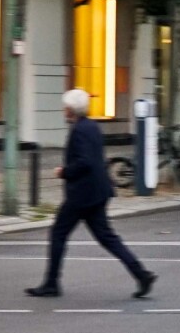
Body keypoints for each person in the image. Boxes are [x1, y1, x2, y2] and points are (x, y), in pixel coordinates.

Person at [27, 88, 155, 299]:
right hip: (97, 191)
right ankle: (141, 274)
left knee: (58, 233)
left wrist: (64, 172)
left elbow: (85, 162)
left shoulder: (79, 130)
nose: (63, 110)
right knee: (107, 238)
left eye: (65, 107)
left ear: (70, 110)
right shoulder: (93, 126)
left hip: (82, 194)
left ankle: (51, 283)